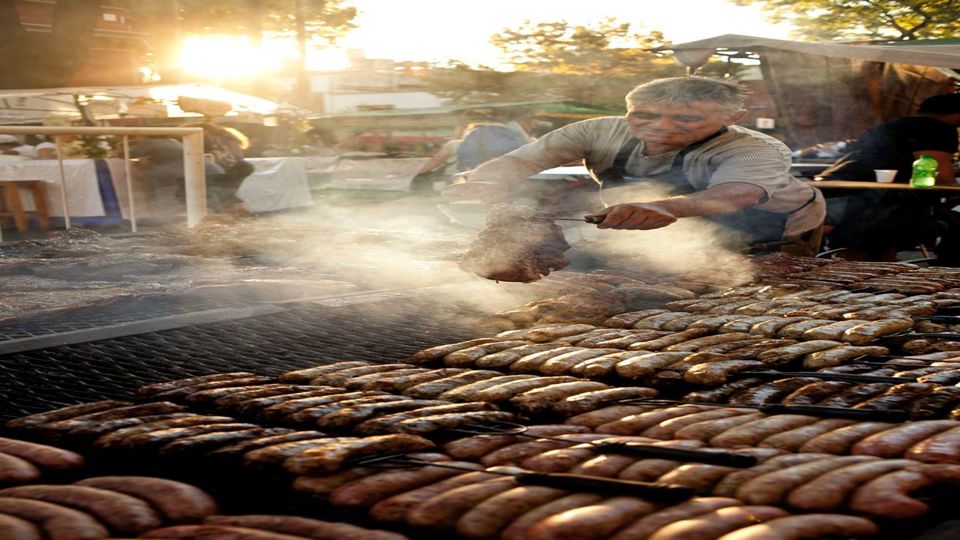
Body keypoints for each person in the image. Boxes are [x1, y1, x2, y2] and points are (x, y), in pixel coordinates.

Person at [444, 76, 826, 256]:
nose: (661, 126)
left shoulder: (755, 148)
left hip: (772, 222)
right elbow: (522, 159)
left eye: (685, 118)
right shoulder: (596, 131)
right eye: (645, 115)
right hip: (663, 221)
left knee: (761, 285)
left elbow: (737, 194)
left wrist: (665, 207)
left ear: (733, 117)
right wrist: (487, 182)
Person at [818, 93, 960, 262]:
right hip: (877, 204)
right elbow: (942, 176)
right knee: (856, 254)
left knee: (876, 253)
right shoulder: (935, 128)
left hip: (837, 193)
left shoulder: (891, 125)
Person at [181, 123, 255, 215]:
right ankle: (239, 211)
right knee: (226, 194)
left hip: (220, 171)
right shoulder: (229, 137)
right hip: (238, 169)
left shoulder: (208, 137)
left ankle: (222, 214)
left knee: (216, 194)